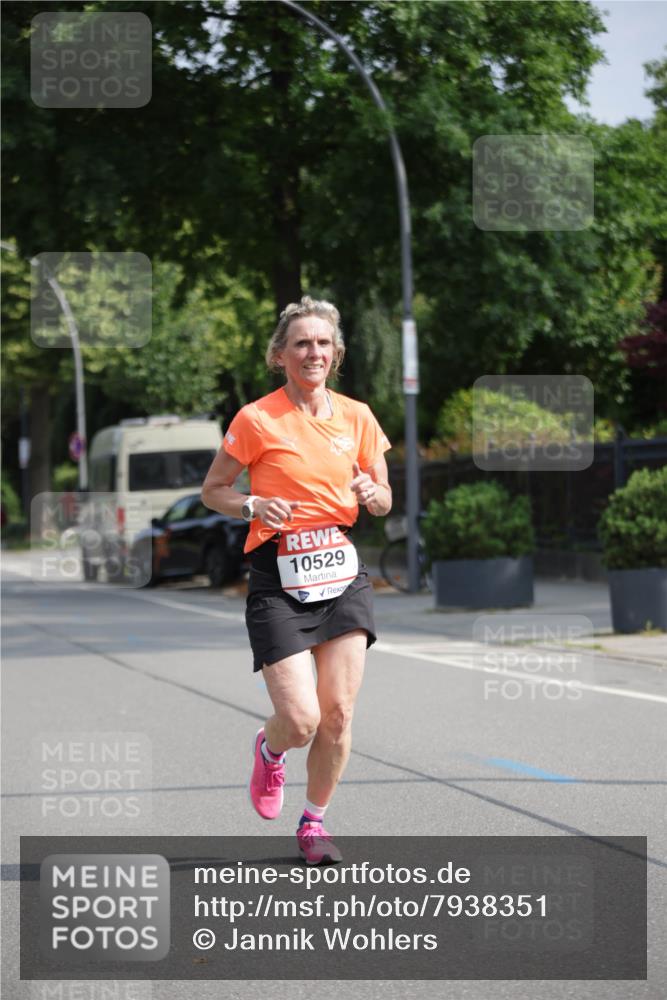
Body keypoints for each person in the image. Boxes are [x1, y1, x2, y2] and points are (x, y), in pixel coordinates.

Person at [201, 295, 392, 865]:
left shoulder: (358, 416)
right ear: (279, 355)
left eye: (324, 343)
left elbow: (384, 498)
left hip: (341, 570)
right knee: (302, 720)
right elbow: (213, 490)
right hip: (278, 576)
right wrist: (252, 505)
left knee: (338, 715)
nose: (314, 352)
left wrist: (373, 493)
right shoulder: (256, 419)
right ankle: (270, 749)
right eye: (302, 343)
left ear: (336, 354)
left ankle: (313, 824)